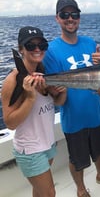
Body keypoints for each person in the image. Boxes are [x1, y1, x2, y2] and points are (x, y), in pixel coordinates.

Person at [42, 0, 100, 197]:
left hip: (96, 114)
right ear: (57, 18)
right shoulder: (51, 51)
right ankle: (81, 189)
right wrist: (55, 91)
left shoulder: (91, 43)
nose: (70, 18)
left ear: (79, 18)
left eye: (74, 14)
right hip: (73, 120)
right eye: (65, 15)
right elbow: (58, 95)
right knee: (77, 160)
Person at [1, 26, 66, 197]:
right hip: (30, 149)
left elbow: (59, 102)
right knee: (49, 193)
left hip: (48, 143)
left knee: (39, 191)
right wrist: (30, 98)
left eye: (41, 45)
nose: (37, 50)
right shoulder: (12, 81)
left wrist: (61, 92)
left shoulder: (44, 72)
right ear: (21, 49)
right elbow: (10, 123)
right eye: (30, 46)